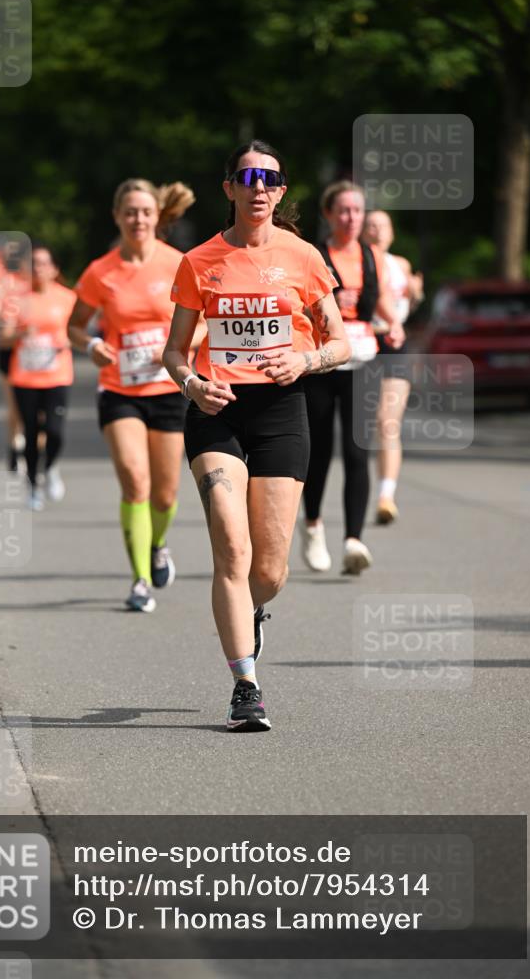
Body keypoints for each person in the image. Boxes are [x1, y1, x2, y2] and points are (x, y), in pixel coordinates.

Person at [163, 140, 350, 732]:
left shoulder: (304, 257)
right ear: (229, 189)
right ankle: (245, 685)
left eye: (269, 179)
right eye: (247, 178)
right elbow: (174, 351)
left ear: (281, 190)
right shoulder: (199, 261)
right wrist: (192, 384)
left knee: (267, 571)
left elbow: (342, 342)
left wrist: (306, 360)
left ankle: (253, 610)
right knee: (230, 545)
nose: (258, 188)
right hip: (216, 410)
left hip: (281, 412)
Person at [68, 178, 198, 613]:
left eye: (145, 212)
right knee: (134, 479)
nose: (137, 219)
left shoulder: (180, 264)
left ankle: (158, 543)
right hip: (119, 389)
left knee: (164, 494)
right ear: (117, 217)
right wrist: (91, 344)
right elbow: (74, 325)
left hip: (167, 388)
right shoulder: (100, 271)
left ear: (157, 216)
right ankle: (140, 579)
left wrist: (177, 348)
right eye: (130, 212)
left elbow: (204, 322)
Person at [301, 181, 405, 576]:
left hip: (363, 360)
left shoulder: (372, 255)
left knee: (358, 450)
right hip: (323, 361)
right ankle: (313, 525)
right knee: (320, 451)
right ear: (328, 214)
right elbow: (297, 302)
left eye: (357, 211)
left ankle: (353, 541)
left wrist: (394, 322)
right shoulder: (313, 255)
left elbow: (380, 298)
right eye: (343, 210)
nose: (351, 218)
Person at [362, 210, 424, 523]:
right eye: (371, 225)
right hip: (362, 344)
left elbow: (409, 305)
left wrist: (416, 293)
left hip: (395, 344)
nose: (376, 230)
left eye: (382, 225)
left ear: (392, 233)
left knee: (387, 422)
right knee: (362, 424)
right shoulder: (356, 262)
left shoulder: (401, 265)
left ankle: (386, 496)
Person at [4, 245, 76, 510]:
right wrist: (21, 333)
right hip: (25, 377)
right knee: (31, 431)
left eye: (44, 263)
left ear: (55, 269)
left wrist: (66, 341)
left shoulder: (67, 298)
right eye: (34, 263)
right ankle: (33, 485)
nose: (39, 269)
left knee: (54, 432)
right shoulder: (18, 299)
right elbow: (3, 337)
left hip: (57, 375)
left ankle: (51, 467)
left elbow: (78, 332)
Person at [0, 245, 31, 472]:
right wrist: (5, 316)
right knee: (15, 405)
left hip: (37, 353)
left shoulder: (45, 288)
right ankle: (15, 444)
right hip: (10, 350)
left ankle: (36, 450)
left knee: (40, 409)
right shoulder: (6, 283)